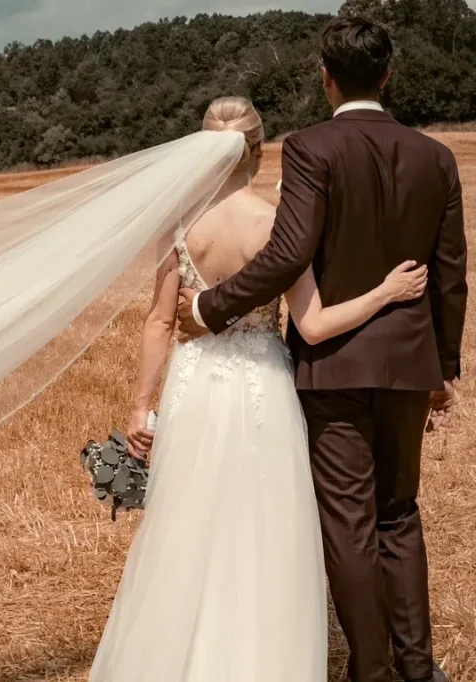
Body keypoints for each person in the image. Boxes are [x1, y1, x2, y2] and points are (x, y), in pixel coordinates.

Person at [88, 94, 428, 682]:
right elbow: (315, 324)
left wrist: (141, 407)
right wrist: (383, 295)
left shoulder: (179, 225)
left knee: (186, 527)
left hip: (192, 385)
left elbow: (159, 322)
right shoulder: (275, 223)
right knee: (264, 530)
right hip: (261, 385)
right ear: (260, 150)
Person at [175, 17, 466, 682]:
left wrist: (209, 307)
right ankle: (417, 669)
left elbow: (288, 252)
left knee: (349, 525)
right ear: (388, 75)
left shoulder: (310, 148)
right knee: (400, 515)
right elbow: (451, 275)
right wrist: (442, 369)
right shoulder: (437, 157)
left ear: (325, 77)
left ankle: (372, 670)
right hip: (408, 364)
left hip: (334, 367)